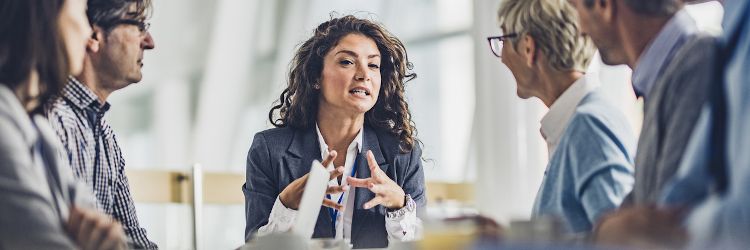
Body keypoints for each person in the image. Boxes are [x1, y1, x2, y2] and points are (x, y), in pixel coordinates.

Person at [243, 15, 426, 249]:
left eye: (373, 65)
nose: (364, 74)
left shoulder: (402, 153)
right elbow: (254, 247)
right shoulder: (269, 149)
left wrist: (400, 206)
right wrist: (286, 206)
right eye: (347, 62)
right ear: (316, 77)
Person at [568, 0, 718, 247]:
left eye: (577, 10)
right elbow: (631, 218)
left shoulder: (697, 65)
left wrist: (612, 229)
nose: (581, 30)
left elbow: (659, 229)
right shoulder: (666, 76)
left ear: (604, 5)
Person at [491, 0, 635, 234]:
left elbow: (621, 241)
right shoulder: (577, 123)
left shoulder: (589, 126)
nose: (502, 56)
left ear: (528, 48)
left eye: (503, 40)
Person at [0, 0, 128, 249]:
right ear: (47, 17)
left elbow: (113, 238)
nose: (89, 32)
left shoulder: (39, 131)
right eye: (81, 12)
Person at [44, 0, 158, 248]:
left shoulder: (103, 133)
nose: (149, 42)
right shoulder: (54, 121)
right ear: (94, 35)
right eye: (138, 26)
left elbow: (132, 241)